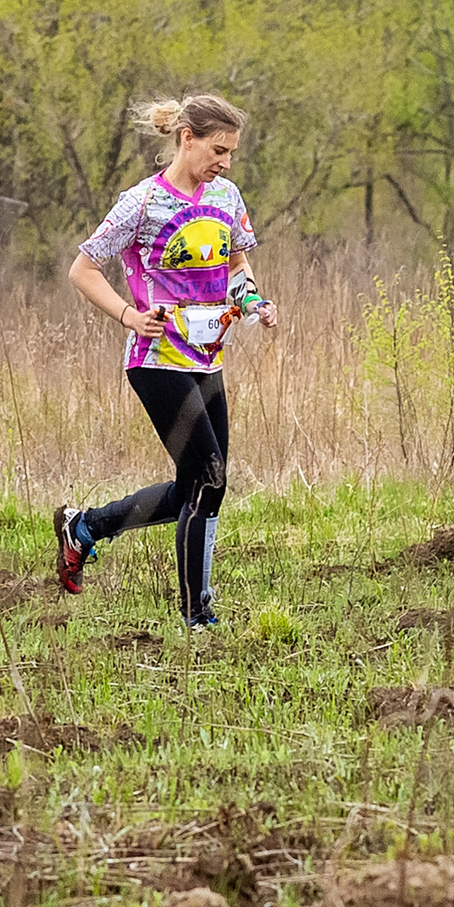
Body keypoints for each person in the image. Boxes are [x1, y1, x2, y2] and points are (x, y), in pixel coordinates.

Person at [51, 95, 278, 630]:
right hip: (156, 360)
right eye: (218, 150)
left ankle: (85, 528)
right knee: (209, 478)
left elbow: (237, 266)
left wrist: (253, 302)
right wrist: (129, 316)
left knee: (200, 487)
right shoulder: (142, 203)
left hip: (207, 359)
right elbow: (82, 270)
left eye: (231, 152)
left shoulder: (226, 196)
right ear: (187, 139)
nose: (226, 162)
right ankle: (198, 616)